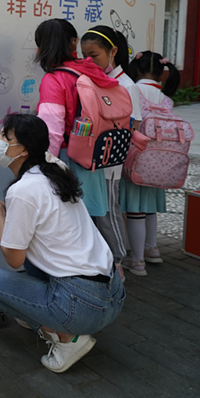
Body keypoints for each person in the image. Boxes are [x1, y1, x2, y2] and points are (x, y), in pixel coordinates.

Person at [0, 113, 125, 373]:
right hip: (113, 295)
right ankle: (47, 315)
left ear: (23, 150)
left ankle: (65, 337)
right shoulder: (57, 169)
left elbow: (14, 260)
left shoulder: (23, 190)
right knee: (33, 256)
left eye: (5, 137)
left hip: (80, 306)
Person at [35, 19, 124, 255]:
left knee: (73, 226)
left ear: (40, 48)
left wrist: (44, 166)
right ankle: (111, 265)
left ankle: (86, 271)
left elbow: (52, 132)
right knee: (94, 221)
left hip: (68, 159)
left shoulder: (54, 79)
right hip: (93, 157)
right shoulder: (92, 71)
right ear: (74, 43)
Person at [80, 26, 142, 277]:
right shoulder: (94, 81)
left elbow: (133, 126)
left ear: (113, 51)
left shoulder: (126, 85)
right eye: (84, 55)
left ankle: (117, 262)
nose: (88, 61)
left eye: (93, 55)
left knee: (108, 212)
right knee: (95, 212)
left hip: (110, 162)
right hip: (92, 160)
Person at [121, 51, 181, 275]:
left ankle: (137, 261)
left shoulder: (133, 90)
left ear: (137, 69)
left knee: (135, 210)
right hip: (160, 161)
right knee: (150, 209)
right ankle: (152, 249)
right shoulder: (166, 99)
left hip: (137, 158)